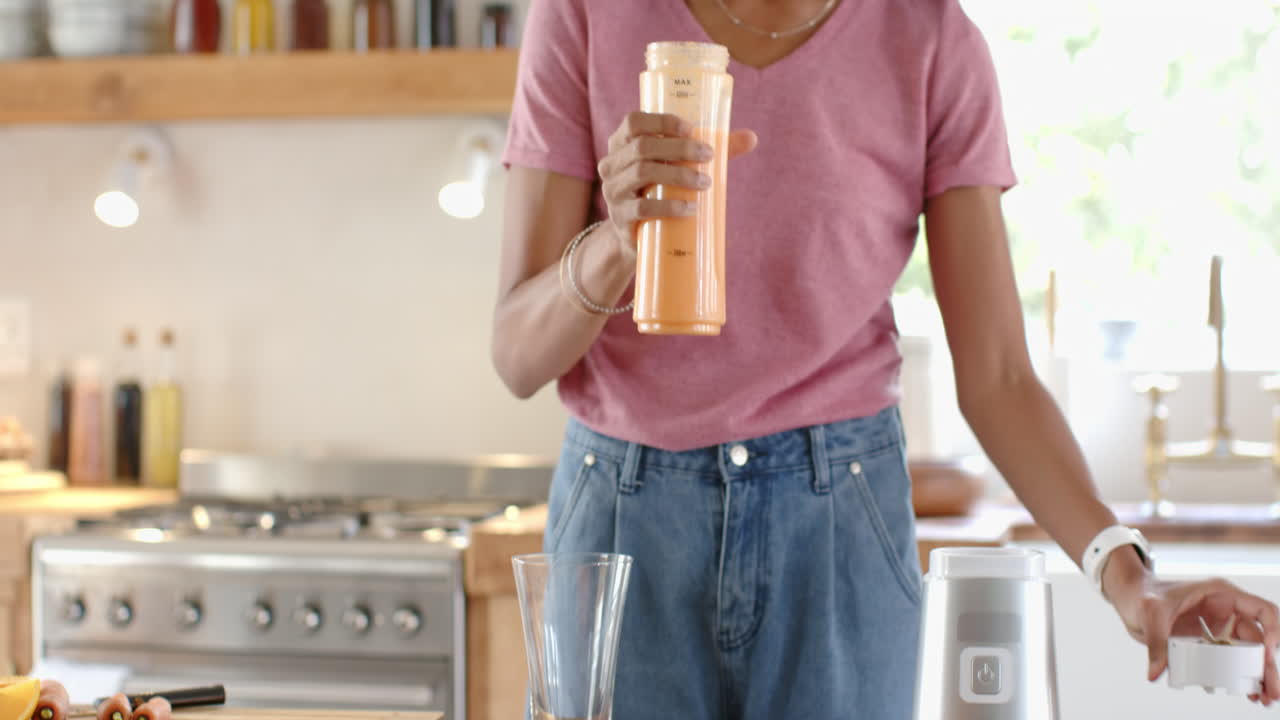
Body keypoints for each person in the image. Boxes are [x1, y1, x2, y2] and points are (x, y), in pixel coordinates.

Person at [491, 0, 1280, 717]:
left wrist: (1131, 580)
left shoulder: (930, 41)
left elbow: (1000, 378)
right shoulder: (587, 14)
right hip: (626, 518)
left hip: (838, 522)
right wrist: (614, 246)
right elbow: (518, 356)